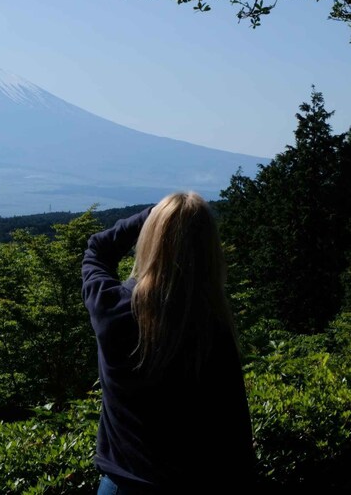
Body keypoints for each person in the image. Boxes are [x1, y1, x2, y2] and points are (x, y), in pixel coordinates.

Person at [81, 192, 257, 494]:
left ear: (151, 238)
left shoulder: (112, 308)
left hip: (122, 484)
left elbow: (97, 249)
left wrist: (153, 215)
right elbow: (234, 431)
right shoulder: (212, 326)